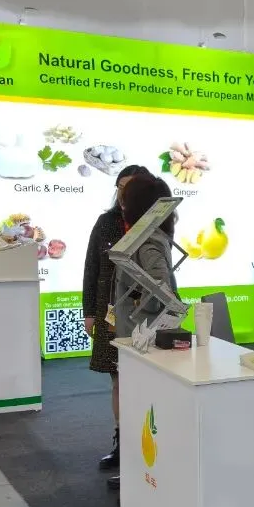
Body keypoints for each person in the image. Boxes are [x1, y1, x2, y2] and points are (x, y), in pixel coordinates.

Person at [108, 174, 180, 490]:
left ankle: (142, 477)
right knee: (143, 407)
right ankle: (140, 475)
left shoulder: (145, 239)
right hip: (142, 335)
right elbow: (159, 287)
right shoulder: (145, 238)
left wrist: (141, 302)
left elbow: (160, 287)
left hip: (144, 336)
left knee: (144, 408)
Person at [81, 165, 151, 476]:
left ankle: (145, 443)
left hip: (145, 313)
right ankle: (123, 444)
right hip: (109, 310)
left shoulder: (153, 223)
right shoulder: (106, 222)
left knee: (144, 380)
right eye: (120, 186)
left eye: (130, 187)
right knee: (118, 379)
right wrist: (89, 311)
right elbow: (91, 267)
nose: (124, 193)